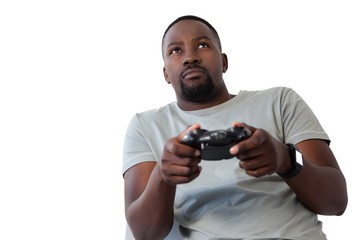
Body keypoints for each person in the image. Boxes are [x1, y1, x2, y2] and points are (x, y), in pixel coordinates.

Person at [122, 15, 348, 240]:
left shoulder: (280, 101)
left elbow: (336, 202)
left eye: (202, 45)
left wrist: (285, 158)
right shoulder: (145, 125)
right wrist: (163, 175)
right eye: (175, 51)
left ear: (224, 62)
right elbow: (145, 234)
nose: (190, 57)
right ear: (165, 74)